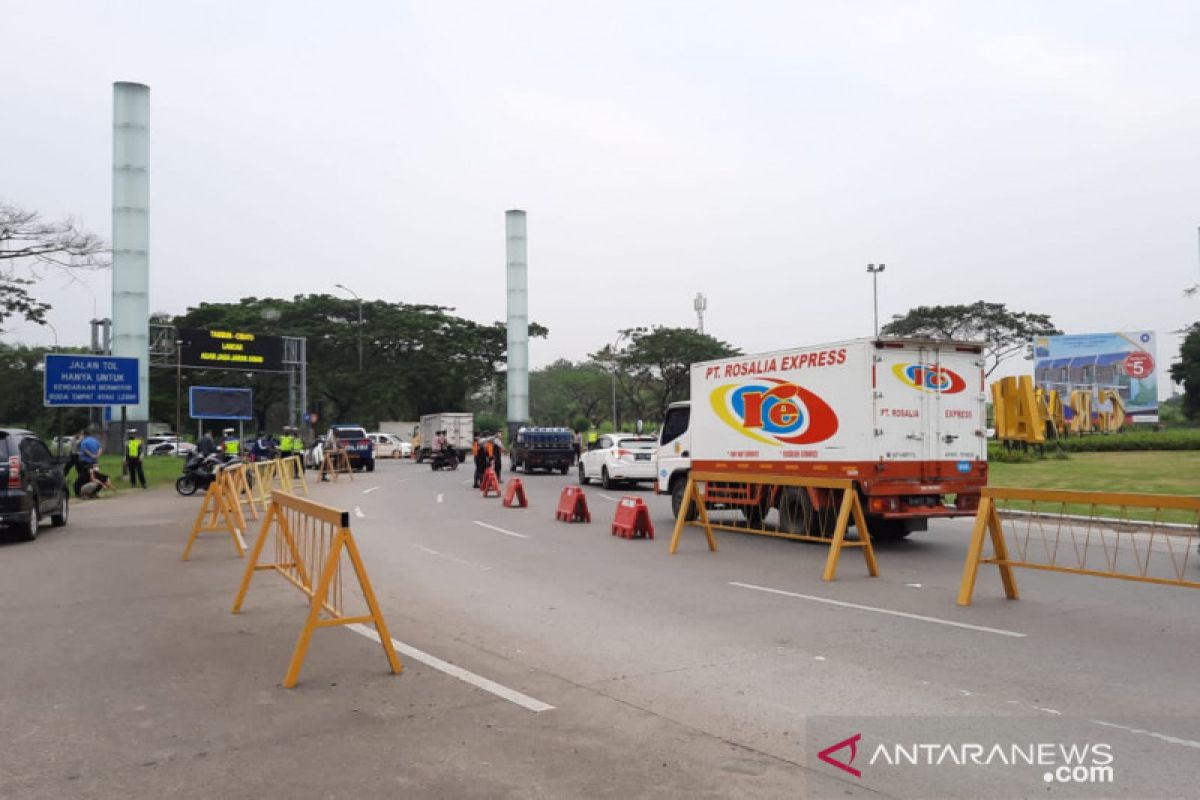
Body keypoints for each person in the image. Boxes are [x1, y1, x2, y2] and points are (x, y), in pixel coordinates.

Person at [75, 428, 102, 498]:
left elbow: (84, 450)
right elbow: (100, 448)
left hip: (85, 462)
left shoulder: (84, 441)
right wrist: (97, 456)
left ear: (84, 435)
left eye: (82, 434)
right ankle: (94, 493)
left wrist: (92, 455)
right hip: (95, 463)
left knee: (84, 478)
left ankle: (82, 493)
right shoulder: (95, 440)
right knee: (95, 477)